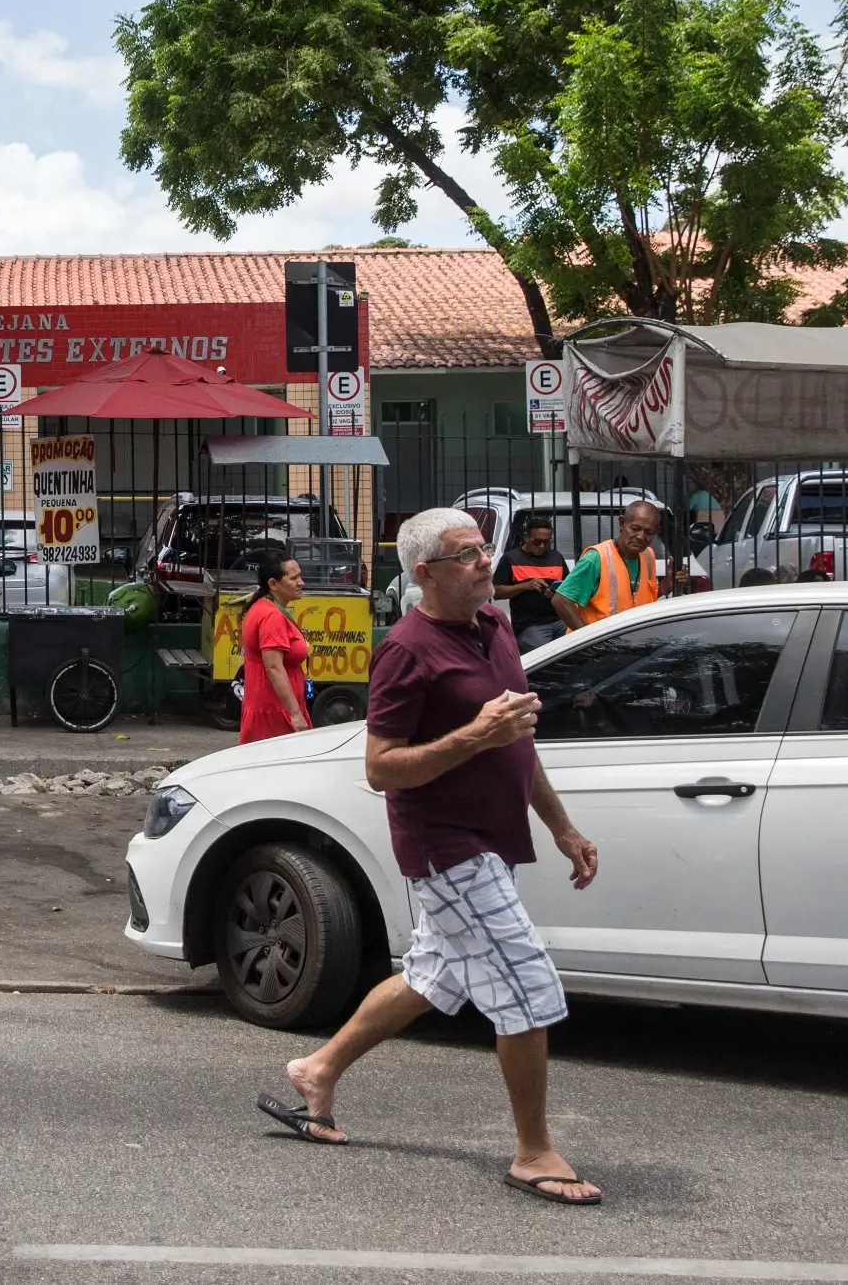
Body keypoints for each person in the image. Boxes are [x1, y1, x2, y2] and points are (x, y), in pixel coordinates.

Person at [268, 506, 603, 1205]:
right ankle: (534, 1152)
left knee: (433, 976)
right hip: (446, 846)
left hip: (495, 838)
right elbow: (381, 767)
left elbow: (517, 740)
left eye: (484, 548)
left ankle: (318, 1070)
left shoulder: (495, 627)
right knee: (527, 986)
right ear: (425, 572)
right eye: (467, 554)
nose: (486, 562)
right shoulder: (406, 649)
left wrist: (562, 827)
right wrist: (474, 736)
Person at [551, 500, 664, 633]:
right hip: (602, 643)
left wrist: (666, 587)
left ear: (656, 532)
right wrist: (588, 637)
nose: (641, 536)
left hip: (633, 641)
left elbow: (637, 599)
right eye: (635, 529)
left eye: (649, 532)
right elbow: (561, 601)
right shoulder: (596, 558)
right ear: (622, 523)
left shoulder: (648, 555)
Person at [238, 554, 312, 743]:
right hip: (275, 713)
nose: (301, 582)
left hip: (273, 708)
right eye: (294, 578)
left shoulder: (263, 607)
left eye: (300, 576)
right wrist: (295, 714)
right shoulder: (271, 616)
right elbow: (273, 668)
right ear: (273, 584)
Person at [494, 517, 571, 652]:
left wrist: (555, 593)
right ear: (526, 537)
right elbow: (496, 592)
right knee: (544, 654)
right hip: (530, 624)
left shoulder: (556, 557)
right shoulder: (511, 559)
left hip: (559, 619)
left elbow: (567, 587)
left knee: (578, 647)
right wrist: (525, 586)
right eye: (537, 542)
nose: (541, 546)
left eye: (546, 542)